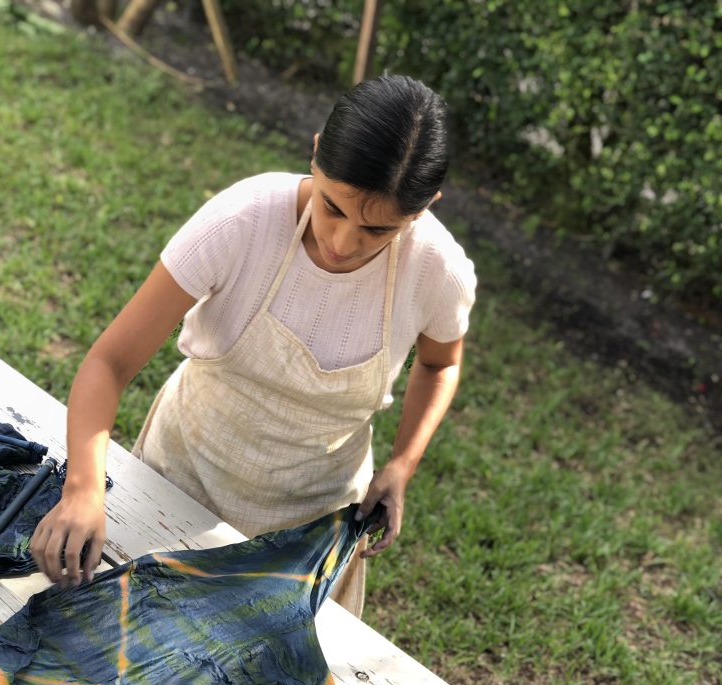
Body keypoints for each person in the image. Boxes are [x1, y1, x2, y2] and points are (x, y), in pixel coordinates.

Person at [30, 74, 476, 617]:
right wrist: (82, 490)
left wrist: (403, 463)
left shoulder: (437, 271)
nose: (342, 243)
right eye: (333, 207)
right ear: (316, 153)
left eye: (377, 231)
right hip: (182, 475)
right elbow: (110, 360)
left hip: (312, 520)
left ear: (425, 206)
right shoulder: (243, 220)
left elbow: (439, 364)